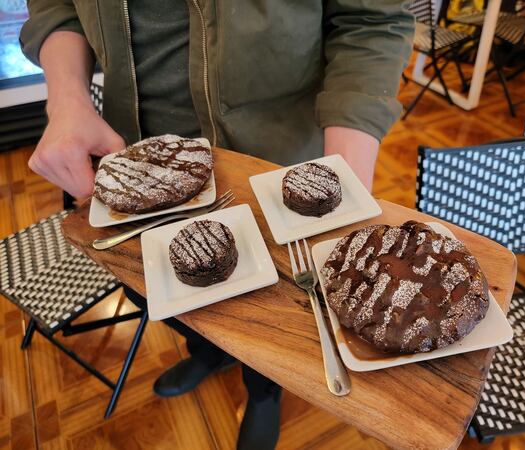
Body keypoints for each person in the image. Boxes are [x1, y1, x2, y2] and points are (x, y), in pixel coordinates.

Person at [20, 1, 415, 449]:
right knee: (162, 291)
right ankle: (208, 353)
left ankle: (264, 390)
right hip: (139, 162)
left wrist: (344, 179)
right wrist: (66, 96)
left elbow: (371, 19)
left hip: (276, 164)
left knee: (279, 306)